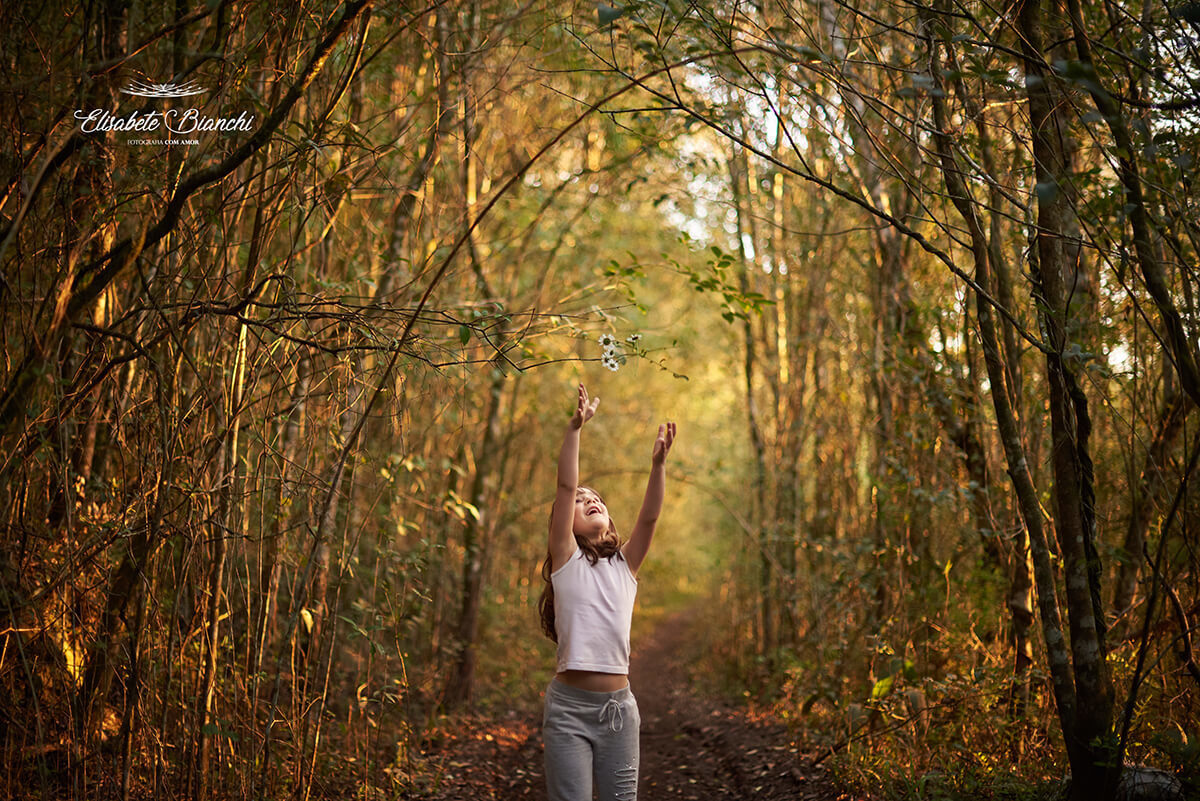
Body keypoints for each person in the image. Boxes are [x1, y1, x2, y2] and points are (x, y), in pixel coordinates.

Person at [537, 383, 676, 801]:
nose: (589, 500)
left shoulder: (625, 565)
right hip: (567, 712)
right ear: (565, 522)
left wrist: (658, 466)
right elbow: (565, 486)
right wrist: (574, 430)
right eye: (582, 501)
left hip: (619, 712)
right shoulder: (565, 559)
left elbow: (649, 520)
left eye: (596, 498)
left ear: (609, 517)